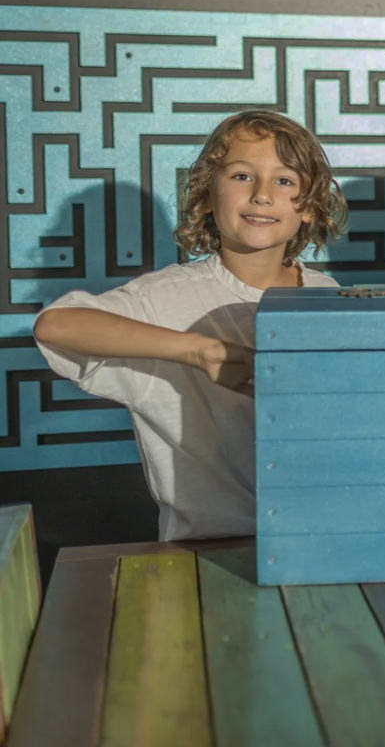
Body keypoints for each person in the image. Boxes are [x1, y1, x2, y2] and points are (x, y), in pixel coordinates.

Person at [34, 110, 347, 541]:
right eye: (241, 176)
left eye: (285, 180)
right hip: (206, 550)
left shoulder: (326, 293)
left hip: (321, 537)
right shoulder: (166, 299)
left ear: (309, 207)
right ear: (204, 196)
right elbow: (57, 326)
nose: (261, 194)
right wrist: (200, 352)